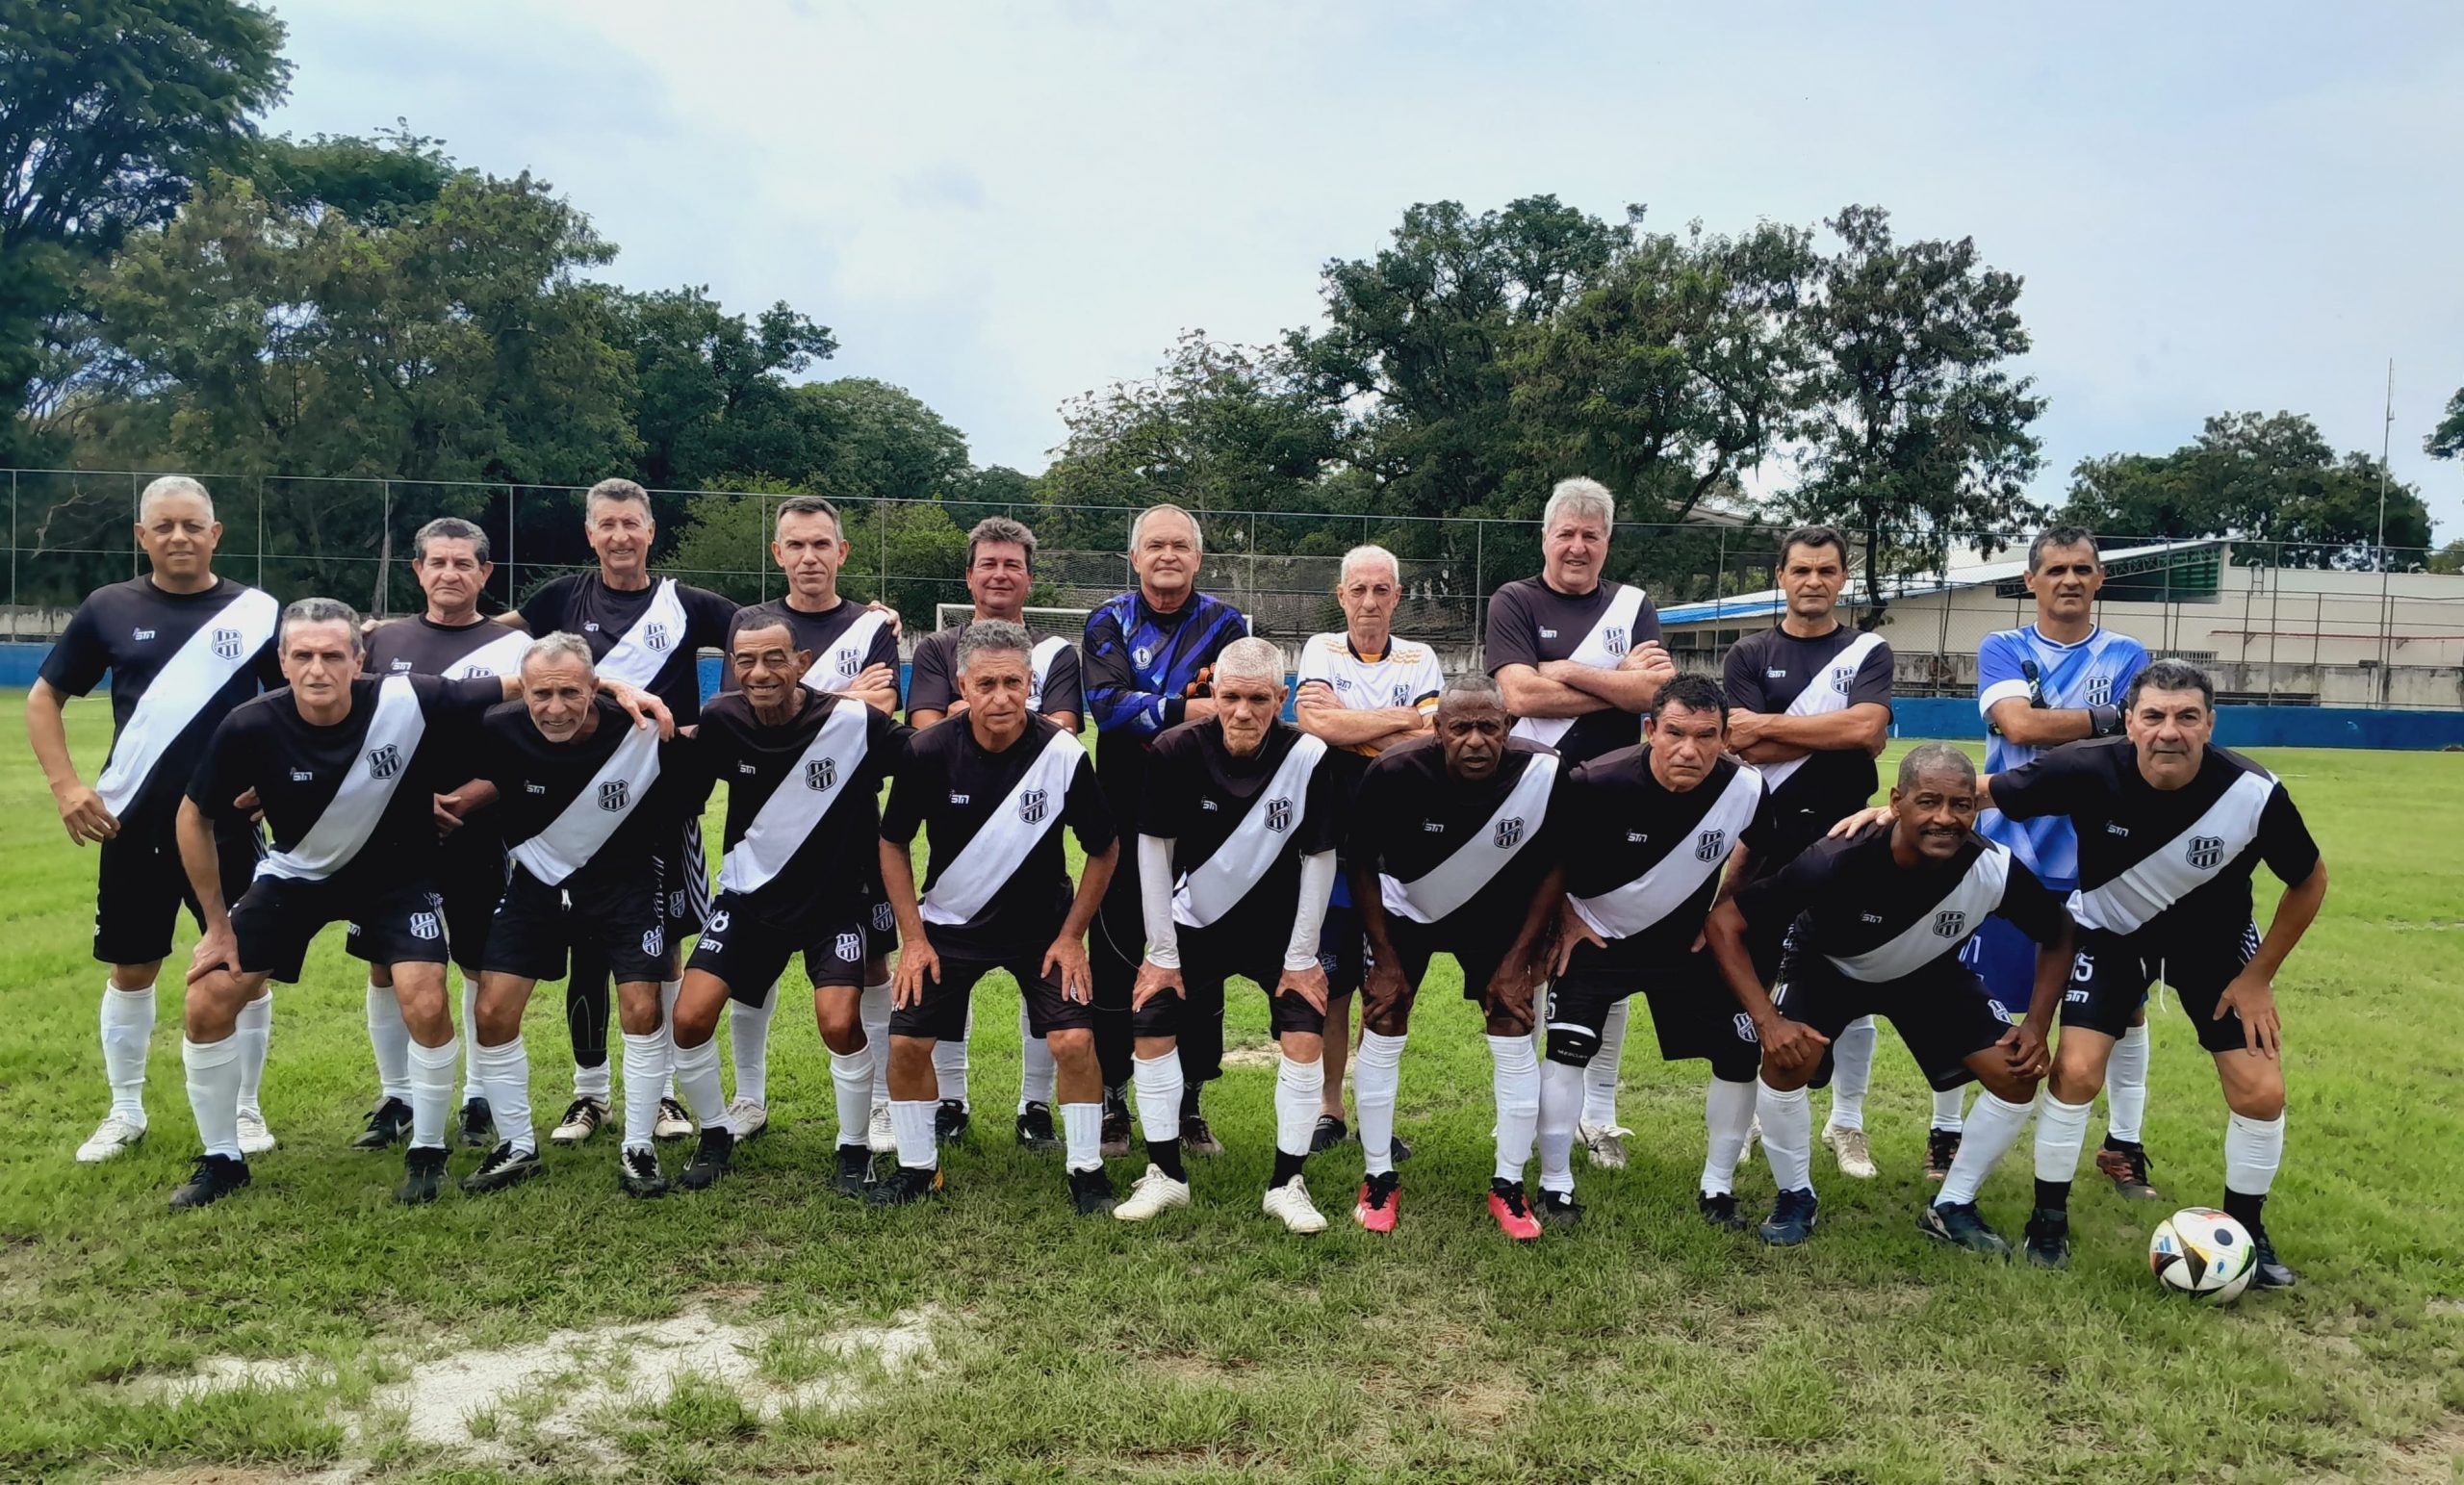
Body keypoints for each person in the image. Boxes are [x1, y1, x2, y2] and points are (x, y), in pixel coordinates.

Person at [167, 599, 668, 1209]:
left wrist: (613, 686)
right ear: (282, 661)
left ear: (359, 659)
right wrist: (218, 928)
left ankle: (427, 1150)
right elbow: (193, 815)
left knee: (426, 1000)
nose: (318, 668)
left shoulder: (408, 695)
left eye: (333, 655)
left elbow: (532, 681)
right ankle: (222, 1157)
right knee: (207, 997)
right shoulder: (250, 724)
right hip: (295, 874)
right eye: (303, 655)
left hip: (396, 877)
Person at [1840, 661, 2323, 1283]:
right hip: (2109, 935)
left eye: (2185, 717)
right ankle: (2049, 1220)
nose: (2168, 731)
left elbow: (2309, 879)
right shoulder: (2086, 766)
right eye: (2153, 716)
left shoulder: (2252, 793)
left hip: (2217, 948)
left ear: (2210, 723)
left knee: (2262, 1090)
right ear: (2130, 721)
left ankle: (2246, 1231)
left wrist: (2257, 977)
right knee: (2074, 1072)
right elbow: (1984, 791)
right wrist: (1897, 811)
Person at [1703, 745, 2071, 1250]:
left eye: (1961, 804)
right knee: (1790, 1058)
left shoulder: (1992, 869)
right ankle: (1795, 1196)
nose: (1945, 818)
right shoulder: (1837, 858)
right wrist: (1767, 1020)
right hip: (1828, 967)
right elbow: (1725, 922)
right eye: (1928, 802)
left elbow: (2059, 933)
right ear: (1896, 802)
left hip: (1928, 973)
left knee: (2016, 1072)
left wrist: (2035, 1024)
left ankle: (1952, 1204)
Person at [28, 476, 281, 1165]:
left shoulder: (257, 612)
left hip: (226, 825)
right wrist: (66, 786)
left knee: (245, 967)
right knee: (132, 966)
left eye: (191, 525)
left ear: (215, 533)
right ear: (141, 536)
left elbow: (291, 704)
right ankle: (125, 1110)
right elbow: (44, 698)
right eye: (163, 525)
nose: (178, 536)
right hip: (131, 824)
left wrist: (273, 778)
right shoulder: (108, 608)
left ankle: (245, 1107)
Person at [509, 478, 738, 1148]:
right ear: (590, 533)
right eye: (606, 524)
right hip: (570, 811)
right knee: (585, 952)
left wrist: (708, 718)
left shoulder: (688, 604)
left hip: (659, 808)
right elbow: (501, 642)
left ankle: (662, 1090)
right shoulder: (559, 598)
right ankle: (589, 1093)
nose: (618, 536)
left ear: (650, 530)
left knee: (660, 952)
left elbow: (763, 631)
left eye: (630, 523)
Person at [875, 621, 1120, 1213]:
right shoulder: (928, 750)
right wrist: (913, 939)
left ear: (1031, 683)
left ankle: (1086, 1170)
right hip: (949, 927)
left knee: (1074, 1040)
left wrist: (1070, 937)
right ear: (963, 684)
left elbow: (1104, 847)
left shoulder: (1062, 754)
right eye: (986, 683)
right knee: (907, 1046)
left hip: (1041, 931)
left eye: (1014, 682)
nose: (1002, 697)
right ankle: (918, 1169)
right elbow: (891, 842)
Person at [668, 617, 909, 1201]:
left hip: (836, 903)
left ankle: (853, 1148)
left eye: (774, 659)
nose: (759, 673)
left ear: (801, 662)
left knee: (838, 1022)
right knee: (689, 1016)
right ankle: (716, 1134)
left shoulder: (851, 721)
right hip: (750, 898)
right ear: (732, 666)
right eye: (745, 661)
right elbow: (683, 783)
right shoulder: (724, 717)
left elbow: (926, 759)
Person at [1115, 637, 1346, 1233]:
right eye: (1232, 697)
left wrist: (1301, 958)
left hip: (1277, 930)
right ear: (1212, 694)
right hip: (1194, 924)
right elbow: (1152, 851)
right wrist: (1160, 954)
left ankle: (1286, 1184)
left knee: (1302, 1030)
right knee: (1151, 1020)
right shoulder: (1172, 750)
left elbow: (1320, 857)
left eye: (1259, 699)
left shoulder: (1311, 756)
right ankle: (1165, 1175)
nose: (1243, 712)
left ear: (1282, 698)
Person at [1953, 526, 2155, 1193]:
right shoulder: (2004, 646)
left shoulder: (2130, 653)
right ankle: (1944, 1129)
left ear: (2100, 579)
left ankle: (2124, 1143)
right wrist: (2103, 719)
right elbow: (2019, 726)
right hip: (2010, 852)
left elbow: (2141, 732)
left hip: (2104, 855)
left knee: (2122, 1008)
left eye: (2082, 569)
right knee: (1976, 997)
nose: (2069, 579)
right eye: (2056, 569)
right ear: (2031, 581)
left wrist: (2063, 718)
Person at [459, 633, 697, 1199]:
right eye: (542, 694)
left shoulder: (639, 727)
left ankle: (638, 1145)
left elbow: (695, 772)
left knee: (641, 1008)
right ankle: (516, 1144)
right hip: (536, 883)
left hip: (627, 885)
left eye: (571, 692)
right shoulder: (498, 727)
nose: (556, 708)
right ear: (524, 692)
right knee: (492, 1011)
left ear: (595, 688)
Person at [1485, 476, 1676, 1171]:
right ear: (1545, 537)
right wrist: (1608, 677)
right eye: (1565, 532)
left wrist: (1563, 668)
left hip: (1616, 803)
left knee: (1606, 955)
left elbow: (1657, 691)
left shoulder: (1633, 604)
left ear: (1607, 542)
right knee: (1532, 952)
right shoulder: (1514, 599)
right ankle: (1535, 1108)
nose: (1577, 545)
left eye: (1591, 534)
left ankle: (1600, 1114)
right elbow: (1517, 692)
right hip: (1532, 800)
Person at [1542, 675, 1779, 1230]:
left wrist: (1722, 910)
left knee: (1740, 1054)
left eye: (1706, 736)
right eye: (1675, 732)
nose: (1689, 750)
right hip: (1597, 937)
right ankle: (1556, 1185)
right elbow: (1542, 857)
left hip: (1686, 943)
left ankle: (1717, 1189)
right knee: (1567, 1052)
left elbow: (1759, 849)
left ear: (1725, 739)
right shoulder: (1594, 782)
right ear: (1650, 730)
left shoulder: (1744, 787)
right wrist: (1567, 917)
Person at [1347, 675, 1566, 1239]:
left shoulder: (1543, 773)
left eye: (1488, 727)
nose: (1475, 740)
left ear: (1509, 729)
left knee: (1515, 1020)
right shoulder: (1394, 772)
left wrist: (1522, 957)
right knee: (1383, 1016)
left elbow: (1556, 867)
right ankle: (1378, 1178)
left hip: (1498, 919)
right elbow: (1362, 864)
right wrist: (1383, 957)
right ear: (1437, 729)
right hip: (1405, 911)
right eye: (1461, 727)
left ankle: (1509, 1187)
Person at [719, 496, 904, 1152]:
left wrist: (828, 709)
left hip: (848, 829)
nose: (808, 557)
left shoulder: (873, 626)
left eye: (821, 544)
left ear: (842, 552)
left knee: (875, 963)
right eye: (795, 545)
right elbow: (741, 711)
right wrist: (843, 699)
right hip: (762, 827)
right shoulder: (752, 622)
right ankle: (748, 1096)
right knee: (750, 968)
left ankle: (882, 1102)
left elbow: (879, 714)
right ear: (778, 553)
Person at [1720, 525, 1896, 1181]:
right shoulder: (1748, 652)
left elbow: (1868, 728)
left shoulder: (1867, 649)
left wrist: (1770, 725)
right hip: (1766, 839)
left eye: (1826, 570)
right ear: (1781, 576)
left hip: (1852, 839)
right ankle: (1741, 1123)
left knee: (1853, 979)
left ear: (1842, 578)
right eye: (1801, 570)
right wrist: (1829, 734)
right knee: (1753, 982)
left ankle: (1846, 1123)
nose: (1814, 581)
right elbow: (1742, 745)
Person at [355, 516, 534, 1153]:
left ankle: (479, 1094)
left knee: (480, 959)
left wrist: (472, 794)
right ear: (418, 570)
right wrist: (403, 799)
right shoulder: (382, 641)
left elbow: (533, 739)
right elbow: (360, 729)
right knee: (385, 963)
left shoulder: (517, 649)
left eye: (464, 563)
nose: (450, 573)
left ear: (486, 573)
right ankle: (397, 1094)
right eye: (437, 562)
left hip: (480, 827)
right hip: (393, 832)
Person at [906, 515, 1085, 1151]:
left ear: (1028, 577)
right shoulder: (935, 647)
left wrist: (979, 709)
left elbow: (1063, 726)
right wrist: (1008, 713)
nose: (1000, 574)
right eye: (989, 563)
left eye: (1012, 563)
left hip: (1034, 838)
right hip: (957, 849)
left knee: (1041, 980)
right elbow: (925, 725)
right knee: (949, 978)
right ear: (970, 575)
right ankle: (951, 1100)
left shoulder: (1058, 651)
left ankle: (1034, 1105)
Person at [1083, 503, 1249, 1158]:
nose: (1168, 554)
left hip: (1202, 808)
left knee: (1198, 947)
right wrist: (1189, 705)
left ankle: (1189, 1104)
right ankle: (1113, 1098)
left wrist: (1177, 711)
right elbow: (1109, 708)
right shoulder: (1108, 620)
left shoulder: (1225, 622)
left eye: (1180, 544)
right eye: (1156, 544)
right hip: (1122, 805)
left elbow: (1235, 712)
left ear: (1198, 557)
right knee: (1119, 948)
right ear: (1135, 556)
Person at [1290, 543, 1442, 1161]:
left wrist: (1355, 723)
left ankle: (1376, 1109)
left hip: (1398, 839)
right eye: (1359, 590)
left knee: (1389, 976)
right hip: (1333, 832)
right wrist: (1397, 721)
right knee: (1333, 978)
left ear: (1398, 597)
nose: (1370, 601)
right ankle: (1330, 1107)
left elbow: (1435, 734)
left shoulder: (1422, 655)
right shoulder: (1321, 649)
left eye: (1382, 590)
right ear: (1341, 595)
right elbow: (1316, 726)